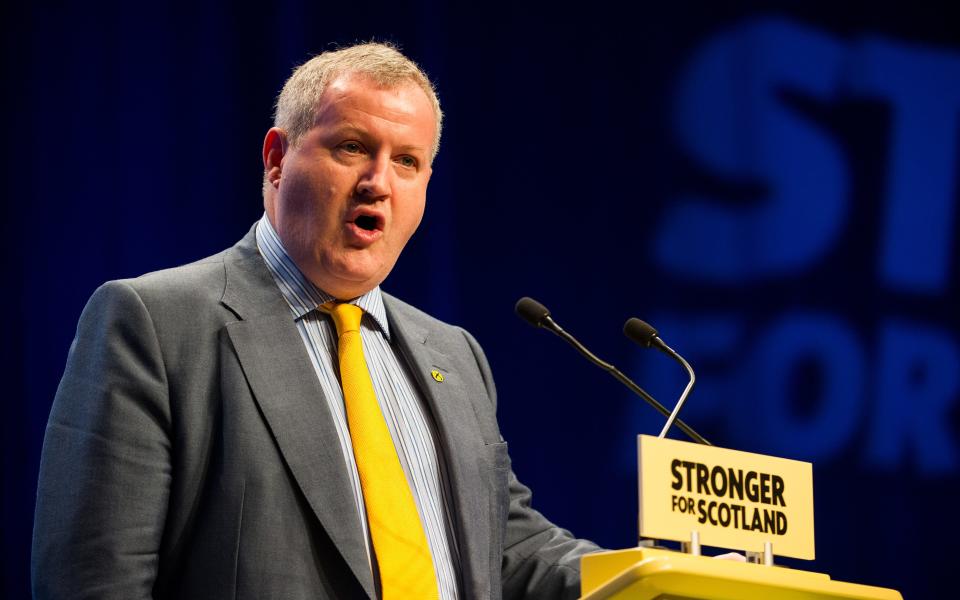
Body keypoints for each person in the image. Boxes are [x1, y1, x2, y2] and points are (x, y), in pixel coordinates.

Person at [32, 42, 600, 599]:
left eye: (407, 160)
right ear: (277, 159)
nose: (379, 181)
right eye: (353, 147)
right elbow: (94, 577)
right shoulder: (155, 324)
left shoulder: (452, 354)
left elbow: (509, 549)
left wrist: (662, 581)